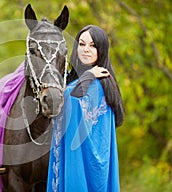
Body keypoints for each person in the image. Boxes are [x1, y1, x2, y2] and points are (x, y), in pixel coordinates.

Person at [47, 25, 124, 192]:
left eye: (92, 45)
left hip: (86, 165)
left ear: (101, 50)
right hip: (71, 155)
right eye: (82, 44)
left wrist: (88, 76)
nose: (86, 50)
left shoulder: (99, 83)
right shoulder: (76, 80)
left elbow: (73, 103)